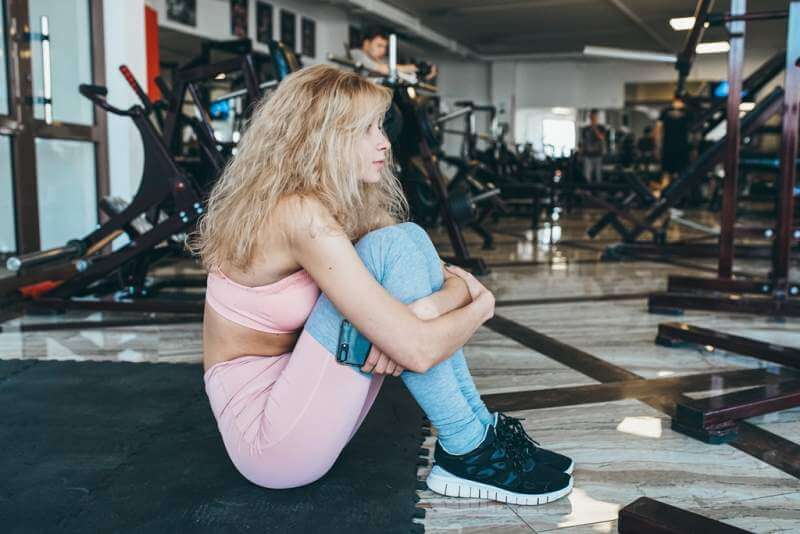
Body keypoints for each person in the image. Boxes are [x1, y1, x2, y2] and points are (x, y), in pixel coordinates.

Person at [191, 65, 573, 505]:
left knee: (404, 238)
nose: (385, 142)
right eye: (367, 129)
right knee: (393, 247)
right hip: (271, 441)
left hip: (301, 390)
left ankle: (475, 435)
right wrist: (479, 308)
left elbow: (435, 275)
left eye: (380, 126)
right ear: (322, 138)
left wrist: (420, 313)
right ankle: (468, 447)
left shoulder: (333, 201)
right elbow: (418, 351)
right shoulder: (296, 213)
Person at [349, 26, 438, 82]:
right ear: (366, 44)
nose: (383, 50)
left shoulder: (383, 61)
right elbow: (383, 69)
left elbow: (399, 73)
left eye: (385, 47)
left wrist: (424, 72)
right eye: (379, 45)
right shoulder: (356, 54)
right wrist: (416, 67)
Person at [655, 96, 693, 194]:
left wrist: (658, 146)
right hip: (677, 146)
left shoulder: (667, 111)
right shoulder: (686, 112)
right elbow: (693, 131)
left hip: (673, 146)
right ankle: (673, 194)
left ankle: (670, 195)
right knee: (675, 173)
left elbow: (658, 130)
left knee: (671, 173)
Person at [579, 109, 606, 183]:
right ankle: (588, 192)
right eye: (592, 117)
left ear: (597, 118)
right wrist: (580, 154)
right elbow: (583, 142)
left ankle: (599, 191)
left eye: (595, 117)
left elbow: (601, 138)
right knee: (587, 175)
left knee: (598, 175)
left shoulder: (601, 128)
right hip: (587, 155)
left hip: (598, 155)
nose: (593, 118)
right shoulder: (585, 129)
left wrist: (595, 128)